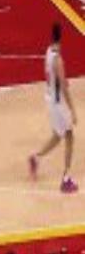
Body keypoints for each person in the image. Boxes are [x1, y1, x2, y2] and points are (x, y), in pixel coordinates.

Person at [29, 23, 79, 193]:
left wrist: (61, 80)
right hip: (58, 103)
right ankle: (66, 179)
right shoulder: (58, 60)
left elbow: (56, 78)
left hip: (50, 98)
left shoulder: (48, 52)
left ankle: (36, 158)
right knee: (69, 136)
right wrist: (72, 109)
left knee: (58, 135)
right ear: (61, 37)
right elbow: (64, 87)